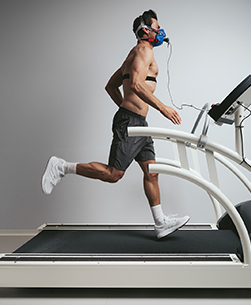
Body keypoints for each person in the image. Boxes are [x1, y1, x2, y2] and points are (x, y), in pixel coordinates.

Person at [42, 9, 190, 239]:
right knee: (113, 174)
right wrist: (162, 108)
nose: (161, 32)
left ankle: (160, 223)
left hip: (139, 123)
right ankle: (61, 166)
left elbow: (111, 86)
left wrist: (127, 109)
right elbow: (137, 86)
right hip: (131, 122)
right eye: (157, 28)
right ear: (145, 30)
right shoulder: (143, 50)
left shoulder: (133, 55)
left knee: (151, 172)